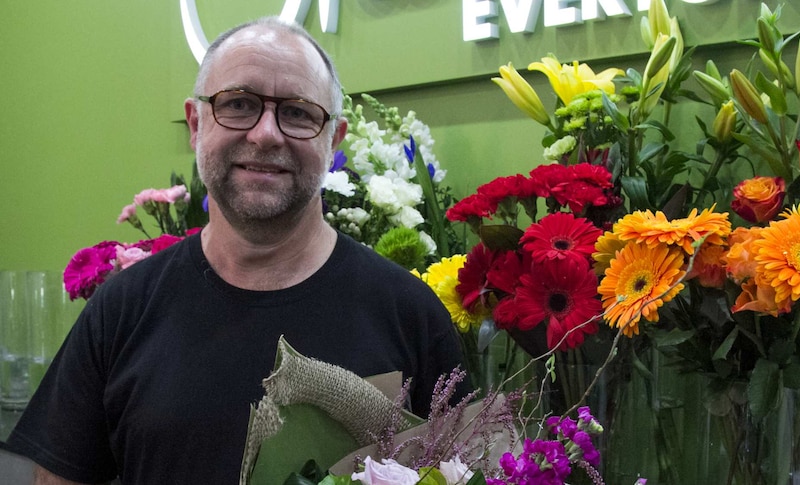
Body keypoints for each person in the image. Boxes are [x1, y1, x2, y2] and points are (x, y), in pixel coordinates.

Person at [7, 17, 468, 485]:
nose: (266, 133)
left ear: (334, 140)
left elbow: (461, 469)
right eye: (239, 104)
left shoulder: (409, 314)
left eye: (298, 112)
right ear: (195, 123)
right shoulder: (122, 310)